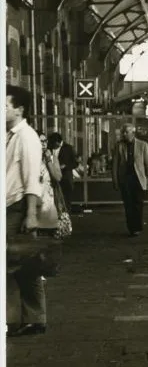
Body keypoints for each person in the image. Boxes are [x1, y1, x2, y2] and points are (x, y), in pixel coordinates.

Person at [6, 85, 48, 337]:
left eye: (5, 105)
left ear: (19, 109)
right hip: (9, 207)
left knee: (24, 265)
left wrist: (31, 215)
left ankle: (34, 318)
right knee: (17, 265)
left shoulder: (27, 137)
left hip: (18, 208)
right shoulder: (9, 134)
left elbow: (33, 179)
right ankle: (24, 318)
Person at [112, 123, 148, 237]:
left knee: (138, 203)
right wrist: (115, 181)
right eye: (123, 132)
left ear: (132, 133)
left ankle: (137, 227)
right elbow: (115, 165)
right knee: (128, 204)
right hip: (125, 180)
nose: (124, 134)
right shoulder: (119, 146)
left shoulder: (143, 145)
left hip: (138, 179)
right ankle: (131, 227)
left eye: (126, 132)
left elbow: (147, 164)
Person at [48, 132, 78, 214]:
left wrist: (65, 166)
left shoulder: (68, 148)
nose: (52, 146)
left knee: (66, 199)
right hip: (53, 178)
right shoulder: (49, 148)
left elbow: (75, 163)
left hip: (66, 178)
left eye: (54, 144)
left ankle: (66, 216)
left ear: (58, 142)